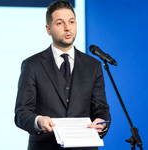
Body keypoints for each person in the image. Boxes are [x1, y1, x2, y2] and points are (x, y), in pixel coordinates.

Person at [14, 1, 111, 150]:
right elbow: (21, 114)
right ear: (48, 29)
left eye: (71, 22)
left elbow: (101, 109)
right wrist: (38, 121)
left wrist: (101, 123)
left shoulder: (93, 65)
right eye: (60, 23)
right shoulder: (31, 65)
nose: (67, 28)